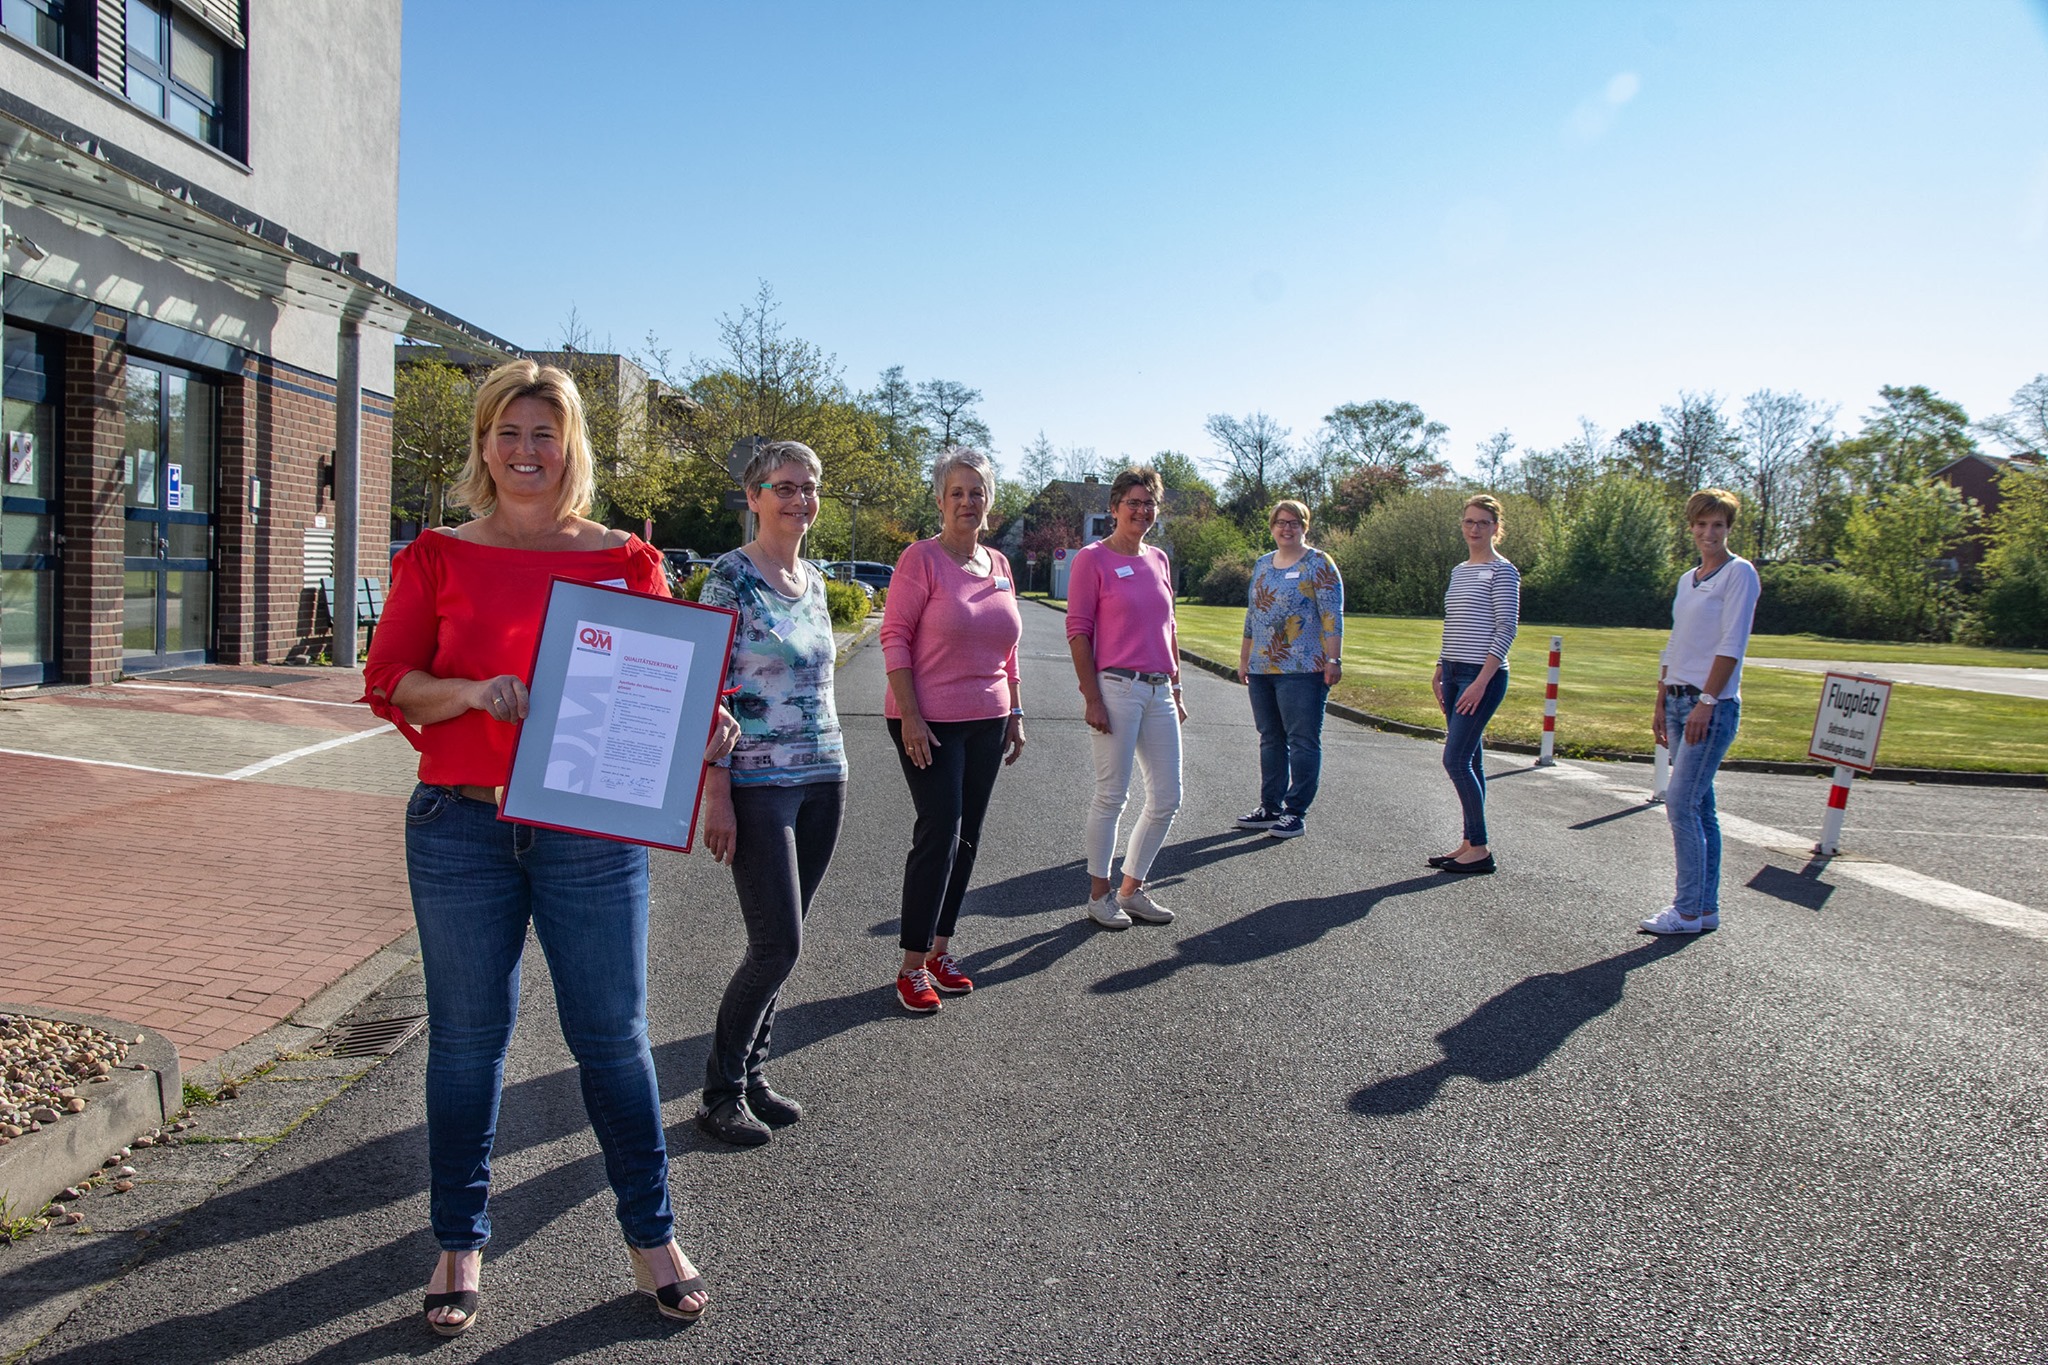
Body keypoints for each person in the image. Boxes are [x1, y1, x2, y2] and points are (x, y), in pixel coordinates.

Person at [363, 360, 732, 1333]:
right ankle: (457, 1240)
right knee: (467, 1044)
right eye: (508, 432)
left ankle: (651, 1234)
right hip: (461, 826)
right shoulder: (437, 555)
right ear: (483, 443)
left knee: (611, 1037)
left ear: (571, 445)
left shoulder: (624, 561)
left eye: (544, 433)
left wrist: (707, 725)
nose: (526, 452)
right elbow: (393, 678)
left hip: (586, 831)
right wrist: (474, 693)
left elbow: (667, 688)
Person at [695, 440, 848, 1144]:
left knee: (789, 938)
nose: (798, 498)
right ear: (753, 497)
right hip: (758, 782)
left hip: (823, 775)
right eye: (783, 486)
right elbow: (707, 691)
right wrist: (716, 789)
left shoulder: (814, 580)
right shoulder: (729, 578)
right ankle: (719, 1089)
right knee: (774, 944)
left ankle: (754, 1072)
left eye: (808, 487)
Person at [880, 447, 1026, 1012]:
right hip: (929, 719)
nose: (968, 501)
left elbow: (1009, 651)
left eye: (977, 492)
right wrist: (910, 714)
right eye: (957, 492)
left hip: (987, 719)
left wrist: (1015, 710)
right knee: (939, 832)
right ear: (940, 501)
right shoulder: (921, 559)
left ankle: (942, 949)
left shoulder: (1000, 565)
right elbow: (895, 636)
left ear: (989, 502)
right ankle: (912, 964)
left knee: (968, 837)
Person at [1066, 466, 1184, 929]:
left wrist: (1177, 685)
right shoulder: (1091, 560)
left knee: (1168, 797)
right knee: (1112, 795)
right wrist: (1091, 697)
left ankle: (1131, 889)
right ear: (1114, 508)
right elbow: (1078, 632)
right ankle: (1100, 895)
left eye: (1149, 502)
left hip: (1160, 690)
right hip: (1116, 688)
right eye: (1133, 502)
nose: (1142, 510)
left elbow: (1169, 628)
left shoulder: (1158, 559)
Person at [1641, 488, 1761, 934]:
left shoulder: (1739, 574)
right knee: (1700, 806)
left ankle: (1687, 909)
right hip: (1676, 700)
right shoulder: (1688, 578)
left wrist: (1707, 703)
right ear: (1691, 527)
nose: (1709, 533)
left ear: (1729, 529)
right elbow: (1675, 642)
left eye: (1718, 525)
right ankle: (1705, 908)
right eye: (1702, 524)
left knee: (1680, 805)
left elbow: (1732, 644)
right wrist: (1660, 699)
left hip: (1708, 705)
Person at [1235, 499, 1344, 840]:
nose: (1287, 528)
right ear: (1272, 526)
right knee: (1270, 738)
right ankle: (1270, 806)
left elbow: (1332, 616)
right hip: (1264, 666)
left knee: (1302, 740)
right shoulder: (1262, 565)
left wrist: (1333, 659)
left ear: (1305, 527)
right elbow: (1253, 616)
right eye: (1281, 522)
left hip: (1304, 667)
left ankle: (1295, 811)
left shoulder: (1319, 563)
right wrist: (1244, 658)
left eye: (1294, 522)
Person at [1430, 494, 1520, 876]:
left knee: (1455, 759)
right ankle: (1469, 843)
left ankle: (1480, 848)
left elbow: (1506, 630)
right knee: (1472, 760)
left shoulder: (1504, 571)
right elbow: (1455, 623)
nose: (1475, 529)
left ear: (1496, 528)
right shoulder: (1459, 571)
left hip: (1480, 676)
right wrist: (1439, 668)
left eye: (1483, 522)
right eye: (1469, 521)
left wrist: (1481, 682)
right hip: (1452, 671)